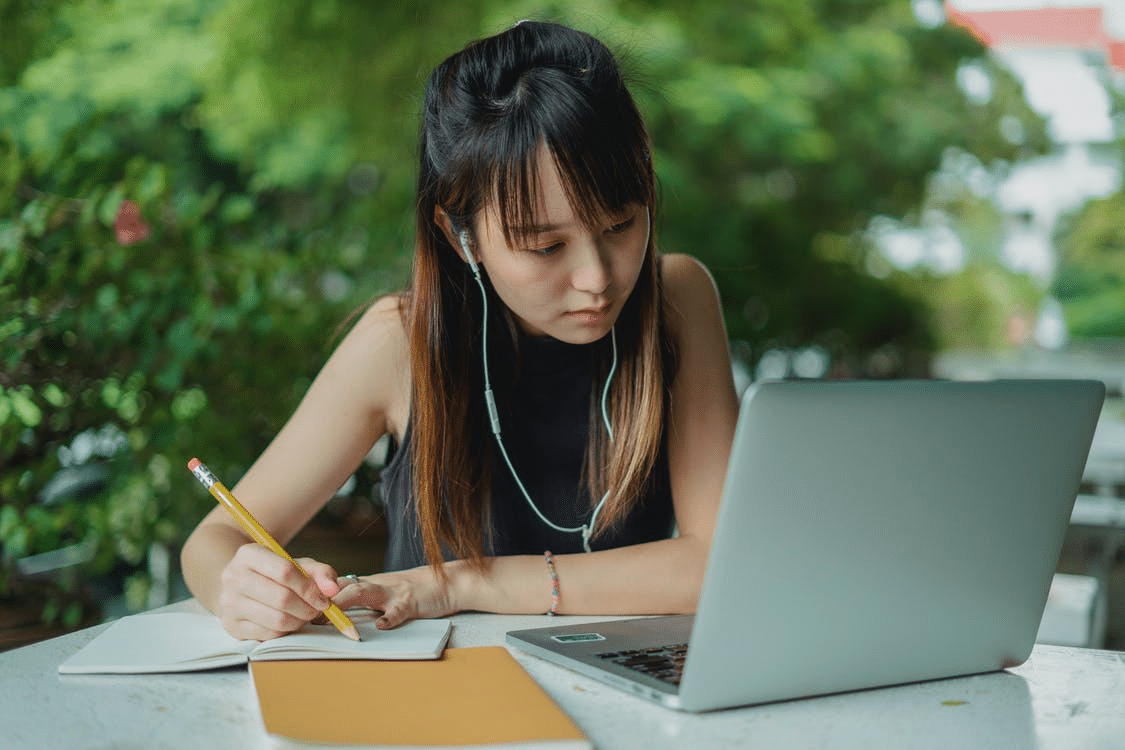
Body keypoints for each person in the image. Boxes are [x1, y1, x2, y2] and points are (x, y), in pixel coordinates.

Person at [180, 20, 739, 641]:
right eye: (546, 245)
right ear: (460, 235)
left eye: (620, 226)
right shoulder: (401, 340)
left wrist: (459, 582)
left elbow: (718, 565)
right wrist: (249, 588)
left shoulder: (677, 299)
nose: (596, 279)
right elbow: (213, 541)